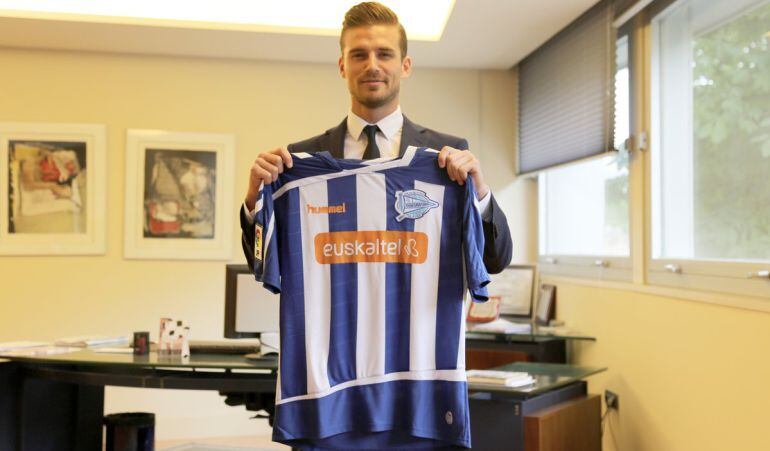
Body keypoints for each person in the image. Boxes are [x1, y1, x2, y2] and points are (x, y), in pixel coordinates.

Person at [241, 2, 512, 273]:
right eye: (359, 55)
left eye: (384, 54)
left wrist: (480, 194)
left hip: (416, 315)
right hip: (335, 314)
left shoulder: (446, 154)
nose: (372, 66)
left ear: (405, 66)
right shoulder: (300, 161)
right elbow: (260, 264)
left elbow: (495, 261)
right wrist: (255, 201)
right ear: (342, 66)